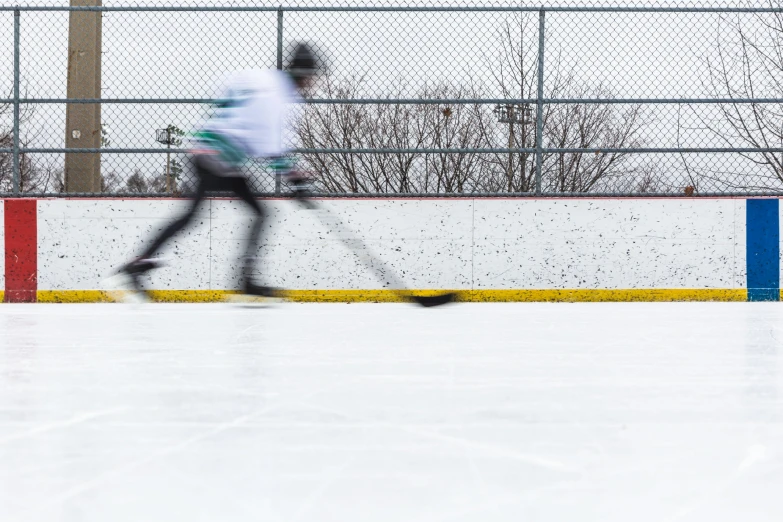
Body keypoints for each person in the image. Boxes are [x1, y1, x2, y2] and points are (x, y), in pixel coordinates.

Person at [117, 43, 318, 299]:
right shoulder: (277, 96)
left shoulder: (265, 80)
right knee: (208, 215)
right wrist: (296, 180)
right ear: (303, 74)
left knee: (245, 213)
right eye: (311, 77)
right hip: (216, 158)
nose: (312, 83)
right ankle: (136, 266)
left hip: (217, 154)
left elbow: (227, 95)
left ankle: (140, 266)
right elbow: (269, 145)